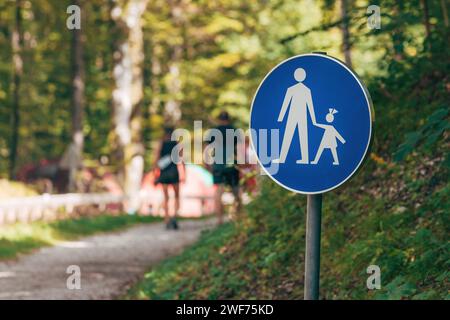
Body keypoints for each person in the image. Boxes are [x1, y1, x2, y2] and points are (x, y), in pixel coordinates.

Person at [273, 68, 318, 164]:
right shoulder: (306, 89)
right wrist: (313, 119)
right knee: (300, 135)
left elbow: (287, 104)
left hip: (295, 115)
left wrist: (281, 117)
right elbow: (310, 106)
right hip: (299, 115)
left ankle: (286, 158)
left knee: (290, 135)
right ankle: (302, 158)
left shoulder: (293, 89)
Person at [205, 111, 242, 225]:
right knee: (236, 191)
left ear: (219, 119)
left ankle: (219, 219)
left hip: (218, 164)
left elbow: (206, 148)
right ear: (228, 119)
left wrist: (207, 163)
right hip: (231, 164)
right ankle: (239, 217)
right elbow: (240, 149)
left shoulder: (213, 131)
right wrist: (241, 163)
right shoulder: (235, 130)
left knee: (218, 192)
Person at [154, 126, 185, 230]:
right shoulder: (177, 144)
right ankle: (174, 216)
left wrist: (155, 175)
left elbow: (156, 160)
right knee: (176, 196)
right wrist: (184, 174)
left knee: (166, 197)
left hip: (164, 173)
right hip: (174, 172)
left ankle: (166, 218)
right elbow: (182, 160)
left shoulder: (160, 144)